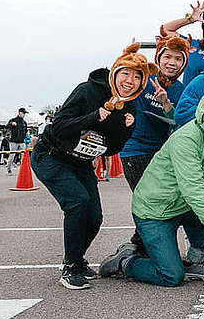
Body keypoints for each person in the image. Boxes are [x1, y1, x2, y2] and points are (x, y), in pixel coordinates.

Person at [98, 86, 204, 286]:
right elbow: (193, 188)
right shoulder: (187, 138)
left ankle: (196, 259)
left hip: (184, 205)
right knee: (171, 276)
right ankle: (126, 262)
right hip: (155, 210)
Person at [31, 43, 148, 290]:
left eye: (137, 76)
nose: (131, 80)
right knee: (77, 202)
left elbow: (112, 149)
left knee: (95, 217)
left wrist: (126, 129)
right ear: (115, 72)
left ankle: (77, 258)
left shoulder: (130, 105)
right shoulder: (88, 91)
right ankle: (70, 266)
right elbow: (60, 125)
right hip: (51, 155)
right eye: (126, 73)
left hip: (83, 162)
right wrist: (96, 115)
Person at [114, 35, 191, 254]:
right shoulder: (144, 76)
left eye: (177, 58)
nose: (171, 62)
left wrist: (166, 103)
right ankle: (141, 248)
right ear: (159, 57)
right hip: (134, 149)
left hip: (161, 153)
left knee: (156, 200)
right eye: (167, 57)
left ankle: (139, 246)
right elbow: (121, 83)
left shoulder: (181, 89)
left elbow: (179, 120)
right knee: (146, 201)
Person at [6, 107, 28, 174]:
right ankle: (8, 168)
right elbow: (7, 125)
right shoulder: (14, 120)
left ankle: (24, 169)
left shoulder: (24, 122)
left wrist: (26, 135)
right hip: (14, 141)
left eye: (24, 113)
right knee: (12, 155)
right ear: (19, 112)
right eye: (23, 113)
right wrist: (11, 124)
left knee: (25, 155)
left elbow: (26, 131)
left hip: (21, 141)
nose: (24, 114)